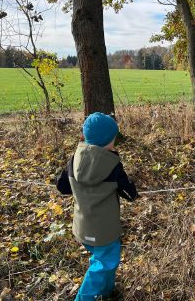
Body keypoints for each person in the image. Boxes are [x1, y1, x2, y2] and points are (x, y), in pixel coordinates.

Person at [56, 112, 138, 300]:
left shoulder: (74, 159)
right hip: (104, 231)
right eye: (113, 139)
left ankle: (107, 291)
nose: (114, 143)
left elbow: (62, 186)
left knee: (104, 261)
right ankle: (84, 297)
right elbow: (129, 193)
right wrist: (133, 191)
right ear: (109, 140)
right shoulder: (113, 165)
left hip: (82, 226)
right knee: (103, 265)